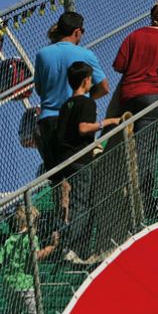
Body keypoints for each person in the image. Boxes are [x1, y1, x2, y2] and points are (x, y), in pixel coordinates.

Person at [107, 1, 158, 219]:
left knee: (136, 147)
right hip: (152, 97)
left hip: (128, 97)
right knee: (146, 152)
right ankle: (137, 201)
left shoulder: (134, 36)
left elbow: (118, 66)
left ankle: (142, 198)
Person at [34, 12, 109, 222]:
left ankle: (60, 225)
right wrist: (85, 99)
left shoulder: (42, 54)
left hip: (47, 121)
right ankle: (73, 230)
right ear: (77, 32)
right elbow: (104, 87)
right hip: (72, 121)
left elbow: (39, 89)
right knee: (79, 180)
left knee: (58, 182)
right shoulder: (85, 54)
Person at [57, 62, 121, 261]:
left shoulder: (66, 105)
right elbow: (83, 128)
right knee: (82, 204)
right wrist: (109, 122)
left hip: (65, 159)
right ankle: (69, 246)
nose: (92, 82)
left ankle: (78, 248)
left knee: (77, 204)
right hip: (80, 158)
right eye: (91, 79)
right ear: (85, 80)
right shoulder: (87, 103)